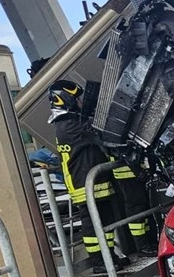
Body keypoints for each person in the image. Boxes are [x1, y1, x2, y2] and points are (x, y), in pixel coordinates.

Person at [48, 80, 126, 273]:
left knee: (106, 220)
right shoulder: (68, 126)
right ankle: (99, 262)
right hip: (82, 184)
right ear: (65, 99)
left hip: (93, 182)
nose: (81, 102)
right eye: (77, 99)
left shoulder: (71, 122)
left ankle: (109, 256)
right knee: (92, 224)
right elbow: (98, 131)